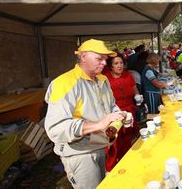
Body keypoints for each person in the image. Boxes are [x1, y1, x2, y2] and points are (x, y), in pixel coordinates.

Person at [44, 39, 131, 188]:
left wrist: (121, 115)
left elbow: (110, 106)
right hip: (79, 154)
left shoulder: (103, 80)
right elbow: (55, 128)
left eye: (105, 59)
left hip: (100, 146)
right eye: (99, 58)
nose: (104, 63)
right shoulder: (64, 83)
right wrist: (99, 124)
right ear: (83, 56)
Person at [104, 55, 140, 172]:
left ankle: (126, 165)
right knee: (113, 145)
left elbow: (135, 89)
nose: (119, 66)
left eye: (121, 63)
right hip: (114, 116)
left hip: (129, 113)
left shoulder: (128, 75)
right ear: (110, 66)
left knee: (127, 141)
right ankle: (111, 170)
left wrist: (138, 96)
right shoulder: (105, 79)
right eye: (116, 63)